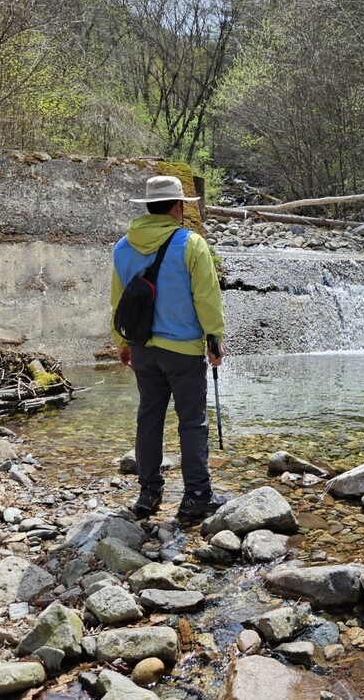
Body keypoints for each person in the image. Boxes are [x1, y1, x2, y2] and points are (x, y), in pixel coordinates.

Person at [110, 175, 226, 526]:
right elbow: (206, 297)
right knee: (192, 422)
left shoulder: (123, 247)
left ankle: (148, 493)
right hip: (184, 350)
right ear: (178, 207)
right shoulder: (191, 244)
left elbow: (118, 302)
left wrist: (122, 342)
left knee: (149, 417)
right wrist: (214, 339)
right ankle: (196, 496)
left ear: (147, 207)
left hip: (143, 347)